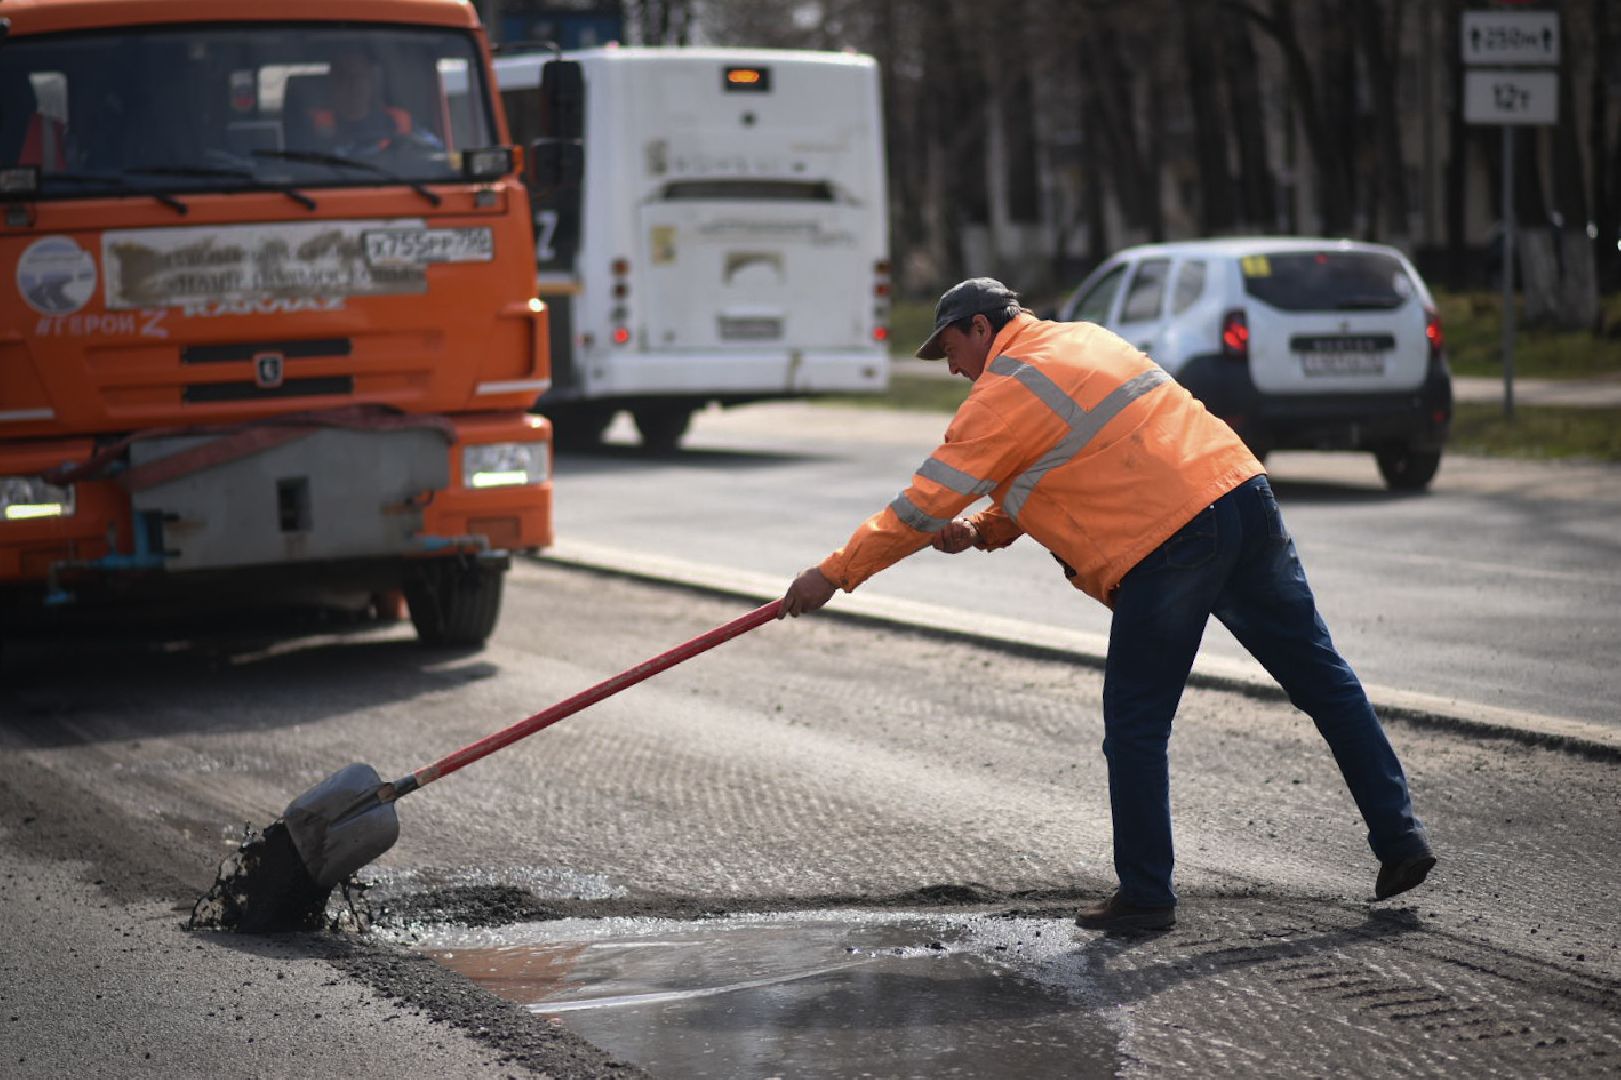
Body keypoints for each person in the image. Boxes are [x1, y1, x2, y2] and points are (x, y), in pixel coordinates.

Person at [779, 277, 1435, 933]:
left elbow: (919, 508)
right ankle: (1400, 842)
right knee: (1324, 683)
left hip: (1172, 540)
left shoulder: (1003, 391)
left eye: (949, 347)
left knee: (1136, 722)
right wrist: (984, 529)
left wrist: (833, 574)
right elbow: (1069, 461)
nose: (950, 366)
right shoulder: (1084, 342)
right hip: (1240, 495)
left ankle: (1146, 894)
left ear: (980, 328)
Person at [305, 50, 441, 157]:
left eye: (359, 77)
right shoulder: (312, 127)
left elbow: (436, 153)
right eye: (343, 77)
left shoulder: (401, 122)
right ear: (332, 85)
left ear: (371, 83)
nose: (353, 85)